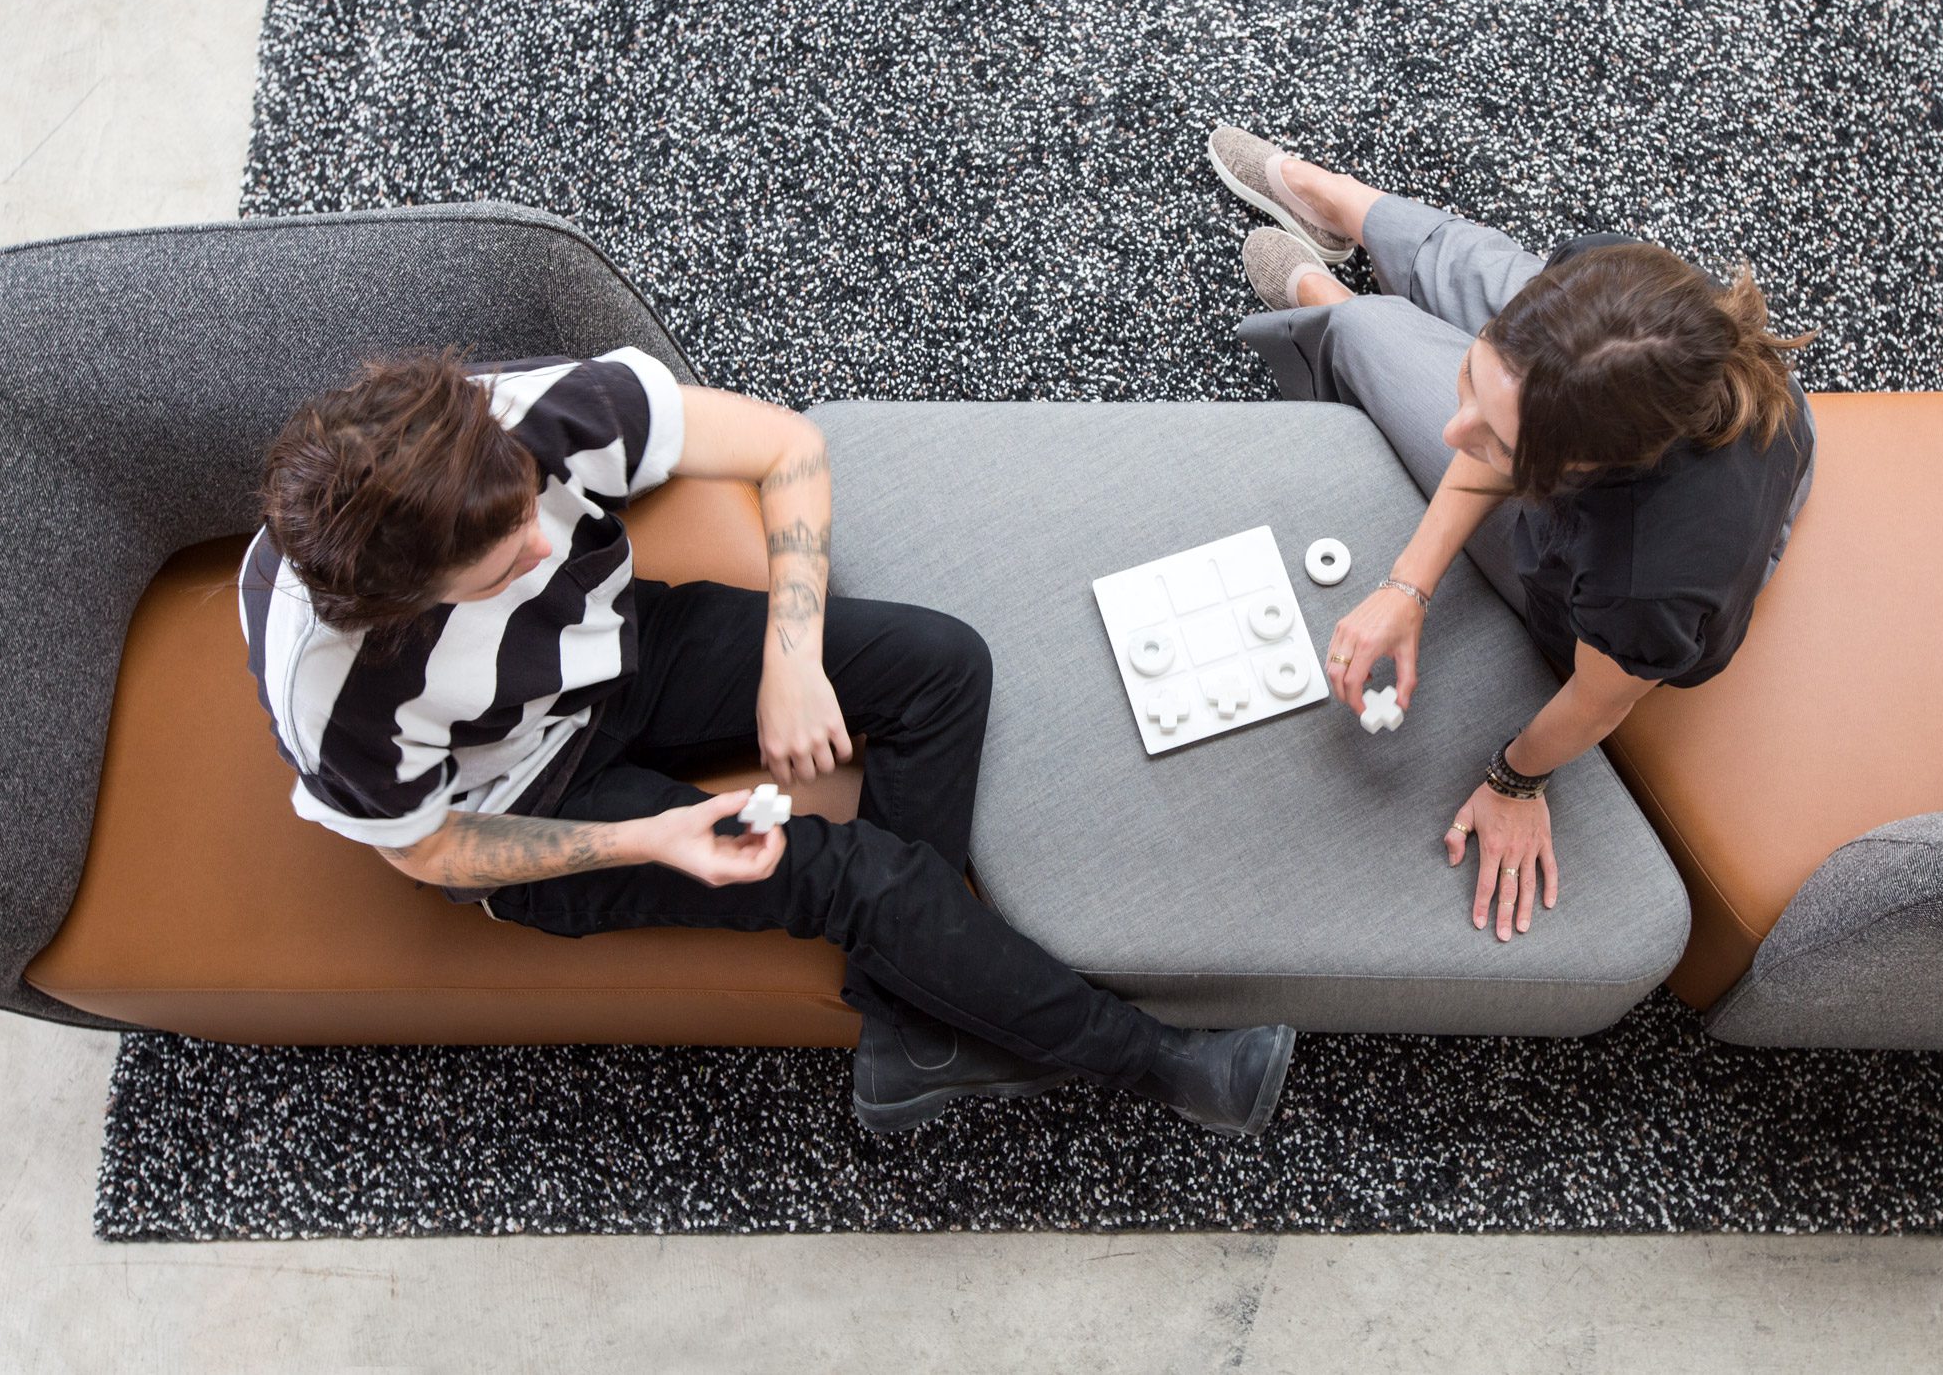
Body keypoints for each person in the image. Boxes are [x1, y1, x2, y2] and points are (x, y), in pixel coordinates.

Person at [240, 346, 1295, 1135]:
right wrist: (650, 840)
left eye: (526, 514)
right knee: (853, 876)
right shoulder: (340, 692)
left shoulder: (521, 420)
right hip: (524, 797)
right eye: (503, 562)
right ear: (404, 607)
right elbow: (428, 854)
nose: (538, 541)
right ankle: (1156, 1064)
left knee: (942, 663)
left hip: (624, 647)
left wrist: (793, 655)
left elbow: (787, 444)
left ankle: (912, 1024)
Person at [1208, 125, 1817, 947]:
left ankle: (1337, 307)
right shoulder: (1629, 296)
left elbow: (1603, 698)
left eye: (1494, 438)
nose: (1460, 435)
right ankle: (1333, 201)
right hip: (1598, 403)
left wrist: (1514, 779)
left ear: (1589, 466)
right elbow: (1503, 397)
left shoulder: (1643, 581)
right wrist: (1406, 587)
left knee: (1377, 341)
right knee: (1485, 278)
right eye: (1471, 384)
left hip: (1624, 589)